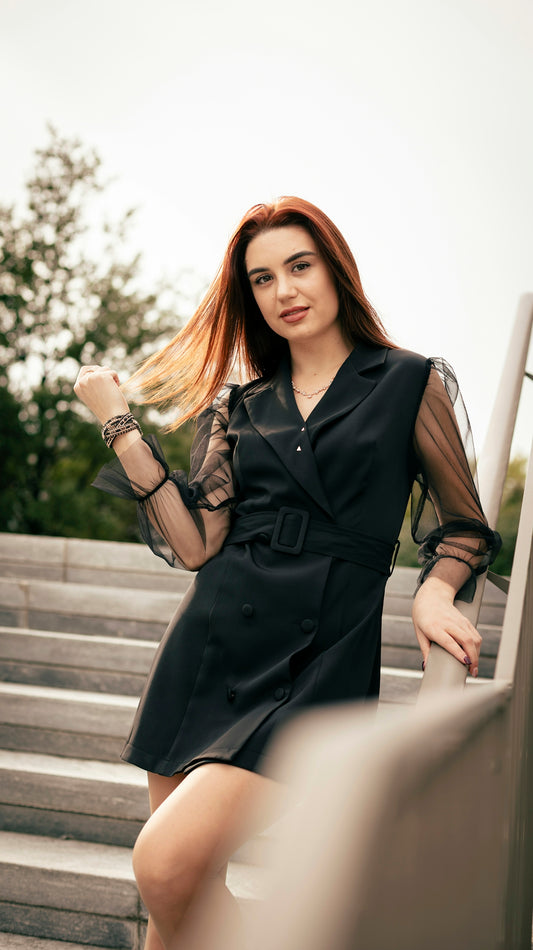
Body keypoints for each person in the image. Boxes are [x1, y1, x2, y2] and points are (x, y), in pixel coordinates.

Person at [74, 196, 500, 950]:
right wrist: (120, 425)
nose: (284, 291)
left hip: (317, 664)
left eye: (299, 267)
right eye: (263, 279)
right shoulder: (239, 404)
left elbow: (462, 522)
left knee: (164, 866)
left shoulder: (407, 382)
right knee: (183, 892)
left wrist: (434, 590)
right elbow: (198, 542)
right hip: (208, 651)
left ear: (335, 270)